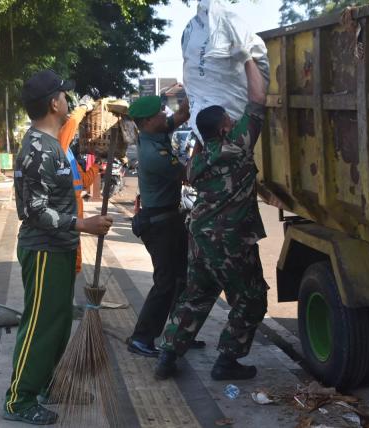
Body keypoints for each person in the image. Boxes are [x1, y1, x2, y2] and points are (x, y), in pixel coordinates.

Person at [4, 70, 113, 425]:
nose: (68, 100)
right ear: (54, 103)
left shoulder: (52, 144)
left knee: (58, 321)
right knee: (39, 324)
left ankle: (50, 385)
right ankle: (18, 400)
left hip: (60, 247)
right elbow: (35, 211)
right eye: (65, 96)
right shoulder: (37, 148)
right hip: (44, 249)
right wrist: (84, 225)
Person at [155, 51, 269, 381]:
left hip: (200, 236)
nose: (234, 123)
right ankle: (227, 361)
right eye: (229, 122)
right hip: (231, 239)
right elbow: (258, 100)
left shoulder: (197, 162)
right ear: (223, 128)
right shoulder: (238, 146)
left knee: (197, 296)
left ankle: (167, 355)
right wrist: (247, 54)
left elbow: (197, 153)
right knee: (251, 299)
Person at [126, 95, 205, 357]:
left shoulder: (155, 132)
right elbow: (188, 173)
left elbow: (180, 116)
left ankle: (177, 333)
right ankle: (142, 338)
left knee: (182, 277)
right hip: (159, 225)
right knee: (165, 282)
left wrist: (192, 96)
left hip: (170, 219)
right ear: (148, 121)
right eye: (160, 113)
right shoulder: (153, 153)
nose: (165, 115)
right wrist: (201, 145)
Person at [57, 97, 101, 273]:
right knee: (68, 244)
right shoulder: (59, 144)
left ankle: (73, 274)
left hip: (76, 204)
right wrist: (82, 108)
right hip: (67, 205)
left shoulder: (69, 155)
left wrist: (97, 165)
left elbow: (83, 182)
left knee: (74, 243)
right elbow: (71, 124)